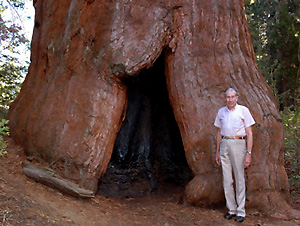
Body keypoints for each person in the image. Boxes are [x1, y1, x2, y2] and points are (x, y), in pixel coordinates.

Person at [214, 88, 255, 223]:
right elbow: (219, 132)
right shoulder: (221, 112)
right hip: (225, 143)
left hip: (238, 144)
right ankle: (231, 209)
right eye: (228, 97)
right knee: (227, 179)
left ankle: (240, 211)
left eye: (232, 97)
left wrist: (248, 153)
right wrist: (217, 151)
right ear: (225, 98)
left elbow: (249, 133)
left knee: (239, 177)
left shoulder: (243, 110)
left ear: (237, 98)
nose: (230, 100)